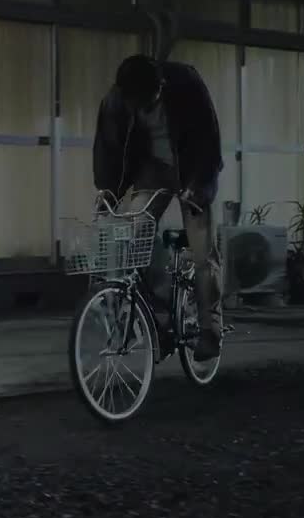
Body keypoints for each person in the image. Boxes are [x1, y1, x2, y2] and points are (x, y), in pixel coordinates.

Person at [92, 54, 224, 361]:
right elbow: (108, 149)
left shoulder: (187, 83)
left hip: (191, 169)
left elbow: (209, 141)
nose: (144, 107)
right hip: (154, 169)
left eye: (150, 99)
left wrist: (199, 186)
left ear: (161, 85)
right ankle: (158, 322)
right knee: (133, 236)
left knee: (203, 252)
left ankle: (210, 329)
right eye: (138, 103)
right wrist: (107, 191)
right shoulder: (116, 102)